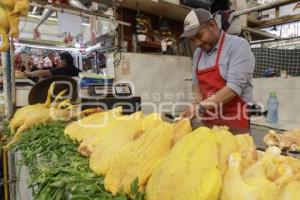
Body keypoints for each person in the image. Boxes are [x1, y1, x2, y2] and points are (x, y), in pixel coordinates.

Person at [180, 8, 255, 134]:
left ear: (212, 25)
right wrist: (196, 103)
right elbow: (196, 83)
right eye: (193, 40)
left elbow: (233, 88)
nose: (197, 43)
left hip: (235, 120)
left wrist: (200, 107)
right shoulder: (198, 53)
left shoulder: (238, 46)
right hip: (209, 120)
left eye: (199, 35)